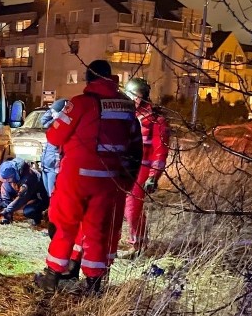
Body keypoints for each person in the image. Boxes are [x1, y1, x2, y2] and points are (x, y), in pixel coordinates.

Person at [34, 60, 142, 294]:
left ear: (88, 77)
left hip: (77, 177)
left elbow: (54, 137)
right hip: (109, 179)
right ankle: (94, 284)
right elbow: (135, 144)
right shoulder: (126, 106)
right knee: (97, 230)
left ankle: (53, 275)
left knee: (64, 224)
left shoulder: (81, 103)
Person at [119, 77, 170, 257]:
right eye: (130, 94)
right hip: (122, 168)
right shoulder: (125, 115)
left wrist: (153, 176)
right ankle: (128, 242)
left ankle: (138, 245)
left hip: (141, 170)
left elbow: (160, 151)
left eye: (136, 95)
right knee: (118, 208)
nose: (133, 99)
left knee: (132, 210)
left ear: (144, 97)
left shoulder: (156, 120)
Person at [0, 157, 49, 226]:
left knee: (29, 211)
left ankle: (38, 217)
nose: (6, 181)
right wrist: (0, 204)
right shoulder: (10, 172)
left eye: (8, 179)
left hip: (37, 197)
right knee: (5, 187)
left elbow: (21, 199)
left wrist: (7, 210)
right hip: (25, 194)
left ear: (14, 174)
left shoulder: (28, 178)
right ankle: (7, 217)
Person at [39, 98, 69, 196]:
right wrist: (52, 109)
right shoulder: (54, 123)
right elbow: (43, 121)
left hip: (53, 166)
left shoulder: (63, 124)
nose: (52, 114)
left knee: (53, 194)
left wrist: (60, 113)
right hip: (45, 165)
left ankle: (52, 211)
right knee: (49, 193)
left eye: (53, 112)